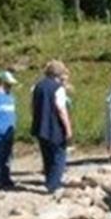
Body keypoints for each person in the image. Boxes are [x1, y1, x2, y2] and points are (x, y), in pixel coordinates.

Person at [31, 60, 73, 193]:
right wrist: (68, 128)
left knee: (46, 155)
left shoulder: (37, 86)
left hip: (39, 125)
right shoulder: (58, 88)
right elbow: (61, 109)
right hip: (54, 126)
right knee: (59, 155)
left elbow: (32, 106)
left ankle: (49, 180)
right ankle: (54, 184)